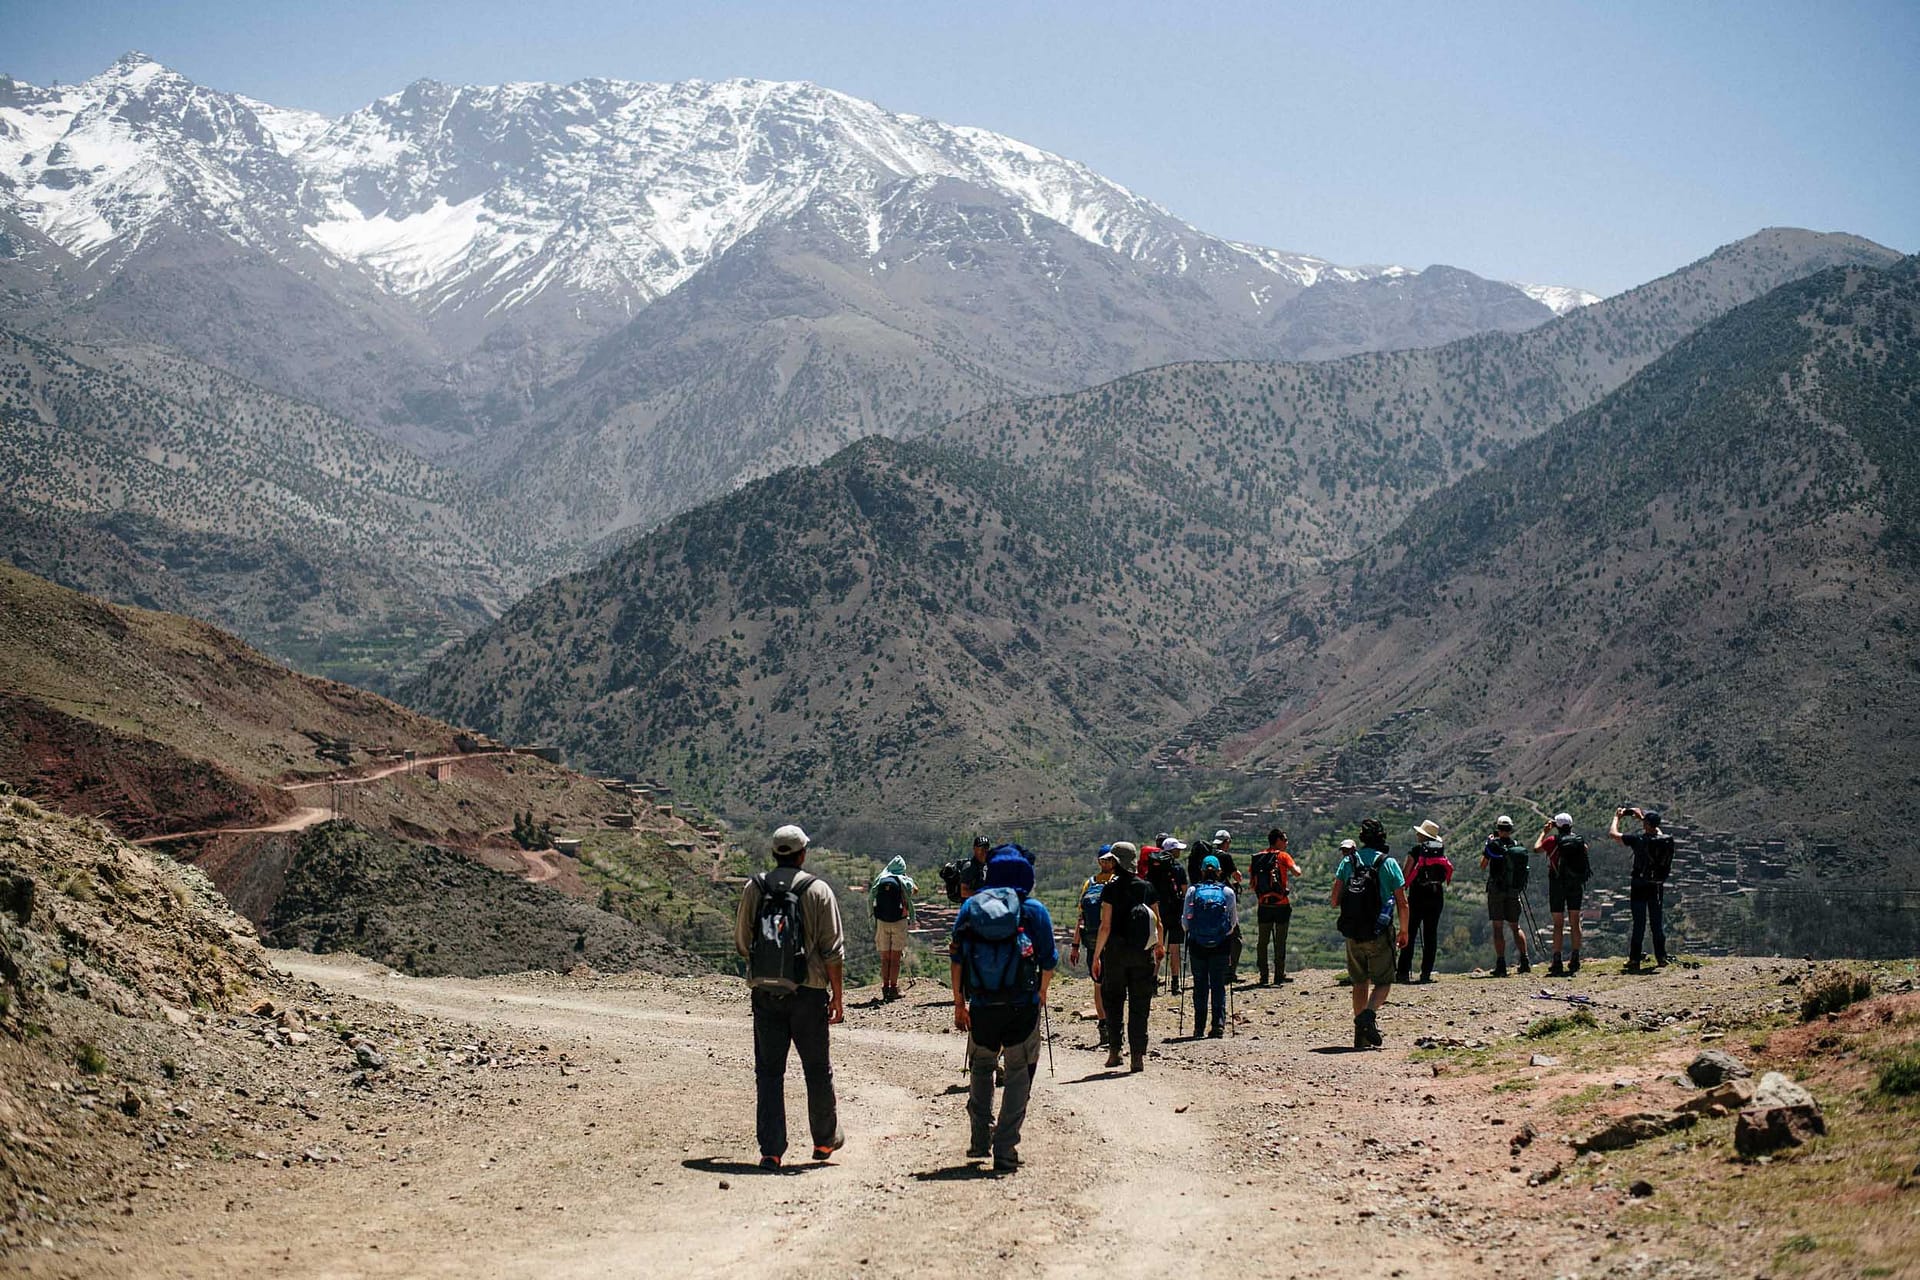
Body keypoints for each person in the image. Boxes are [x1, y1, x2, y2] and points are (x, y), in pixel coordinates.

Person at [734, 824, 846, 1169]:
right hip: (809, 993)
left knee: (769, 1073)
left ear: (773, 853)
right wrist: (837, 996)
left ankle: (771, 1150)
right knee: (816, 1069)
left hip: (766, 993)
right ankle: (824, 1142)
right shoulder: (818, 890)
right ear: (802, 854)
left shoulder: (755, 888)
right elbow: (833, 951)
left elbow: (742, 941)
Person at [951, 850, 1058, 1173]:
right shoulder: (1034, 911)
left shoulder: (971, 908)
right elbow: (1050, 961)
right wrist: (1040, 991)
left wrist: (959, 1003)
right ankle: (1006, 1148)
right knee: (1018, 1074)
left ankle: (979, 1139)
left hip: (982, 1004)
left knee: (982, 1067)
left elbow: (957, 957)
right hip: (1021, 1006)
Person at [1332, 831, 1410, 1050]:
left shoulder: (1348, 861)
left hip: (1353, 932)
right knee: (1384, 981)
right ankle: (1368, 1014)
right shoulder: (1389, 863)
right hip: (1379, 931)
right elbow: (1402, 902)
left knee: (1359, 981)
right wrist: (1404, 931)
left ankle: (1360, 1036)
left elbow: (1334, 900)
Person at [1092, 841, 1162, 1072]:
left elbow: (1105, 926)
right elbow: (1157, 923)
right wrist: (1159, 948)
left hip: (1115, 955)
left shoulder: (1110, 889)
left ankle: (1115, 1052)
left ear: (1116, 862)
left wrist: (1096, 955)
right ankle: (1138, 1056)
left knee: (1114, 1002)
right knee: (1140, 1005)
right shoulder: (1147, 887)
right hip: (1143, 954)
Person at [1610, 807, 1673, 972]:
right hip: (1656, 885)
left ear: (1646, 824)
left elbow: (1614, 834)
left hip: (1639, 884)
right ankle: (1661, 957)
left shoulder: (1638, 840)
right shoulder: (1665, 840)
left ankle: (1634, 959)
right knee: (1656, 923)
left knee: (1639, 923)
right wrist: (1643, 819)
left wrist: (1617, 818)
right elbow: (1657, 831)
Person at [1182, 855, 1239, 1037]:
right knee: (1218, 984)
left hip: (1197, 945)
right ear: (1219, 871)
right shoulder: (1227, 892)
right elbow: (1233, 922)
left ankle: (1198, 1027)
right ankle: (1218, 1025)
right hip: (1220, 945)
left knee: (1200, 985)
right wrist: (1223, 935)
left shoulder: (1192, 891)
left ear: (1201, 871)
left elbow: (1185, 921)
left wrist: (1194, 933)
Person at [1071, 848, 1120, 1049]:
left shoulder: (1089, 883)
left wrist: (1076, 945)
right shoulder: (1118, 881)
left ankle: (1104, 1027)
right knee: (1109, 984)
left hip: (1092, 941)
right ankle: (1111, 1026)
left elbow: (1080, 918)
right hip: (1112, 940)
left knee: (1099, 984)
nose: (1106, 863)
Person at [1397, 819, 1453, 984]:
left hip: (1417, 897)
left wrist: (1401, 890)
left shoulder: (1415, 851)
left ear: (1423, 835)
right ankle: (1426, 973)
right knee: (1431, 935)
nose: (1416, 834)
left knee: (1410, 933)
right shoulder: (1440, 852)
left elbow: (1405, 873)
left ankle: (1403, 972)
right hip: (1436, 897)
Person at [1538, 813, 1590, 976]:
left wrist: (1545, 831)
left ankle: (1557, 960)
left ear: (1557, 826)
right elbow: (1585, 851)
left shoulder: (1553, 841)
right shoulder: (1579, 841)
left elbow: (1536, 848)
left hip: (1557, 884)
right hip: (1575, 885)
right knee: (1575, 921)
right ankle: (1575, 958)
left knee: (1558, 923)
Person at [1480, 815, 1531, 977]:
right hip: (1513, 891)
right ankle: (1525, 961)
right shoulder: (1516, 846)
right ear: (1510, 829)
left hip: (1497, 890)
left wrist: (1488, 844)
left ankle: (1501, 964)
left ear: (1498, 829)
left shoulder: (1493, 845)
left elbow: (1483, 865)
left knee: (1497, 927)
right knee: (1516, 927)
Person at [1248, 828, 1300, 985]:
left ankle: (1263, 976)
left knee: (1262, 942)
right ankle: (1278, 976)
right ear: (1278, 840)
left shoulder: (1258, 858)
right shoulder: (1283, 856)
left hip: (1264, 906)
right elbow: (1297, 873)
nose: (1286, 842)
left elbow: (1252, 885)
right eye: (1285, 839)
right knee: (1280, 941)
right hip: (1281, 905)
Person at [868, 855, 918, 1001]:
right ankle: (894, 988)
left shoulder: (880, 879)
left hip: (882, 922)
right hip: (899, 921)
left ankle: (884, 988)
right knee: (895, 958)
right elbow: (915, 890)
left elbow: (871, 897)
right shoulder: (904, 881)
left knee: (885, 959)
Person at [1144, 838, 1189, 995]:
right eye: (1178, 849)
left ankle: (1153, 982)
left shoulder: (1153, 868)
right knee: (1175, 948)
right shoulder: (1178, 869)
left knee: (1158, 946)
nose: (1180, 852)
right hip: (1175, 912)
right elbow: (1185, 891)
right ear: (1172, 851)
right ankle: (1175, 984)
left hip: (1157, 913)